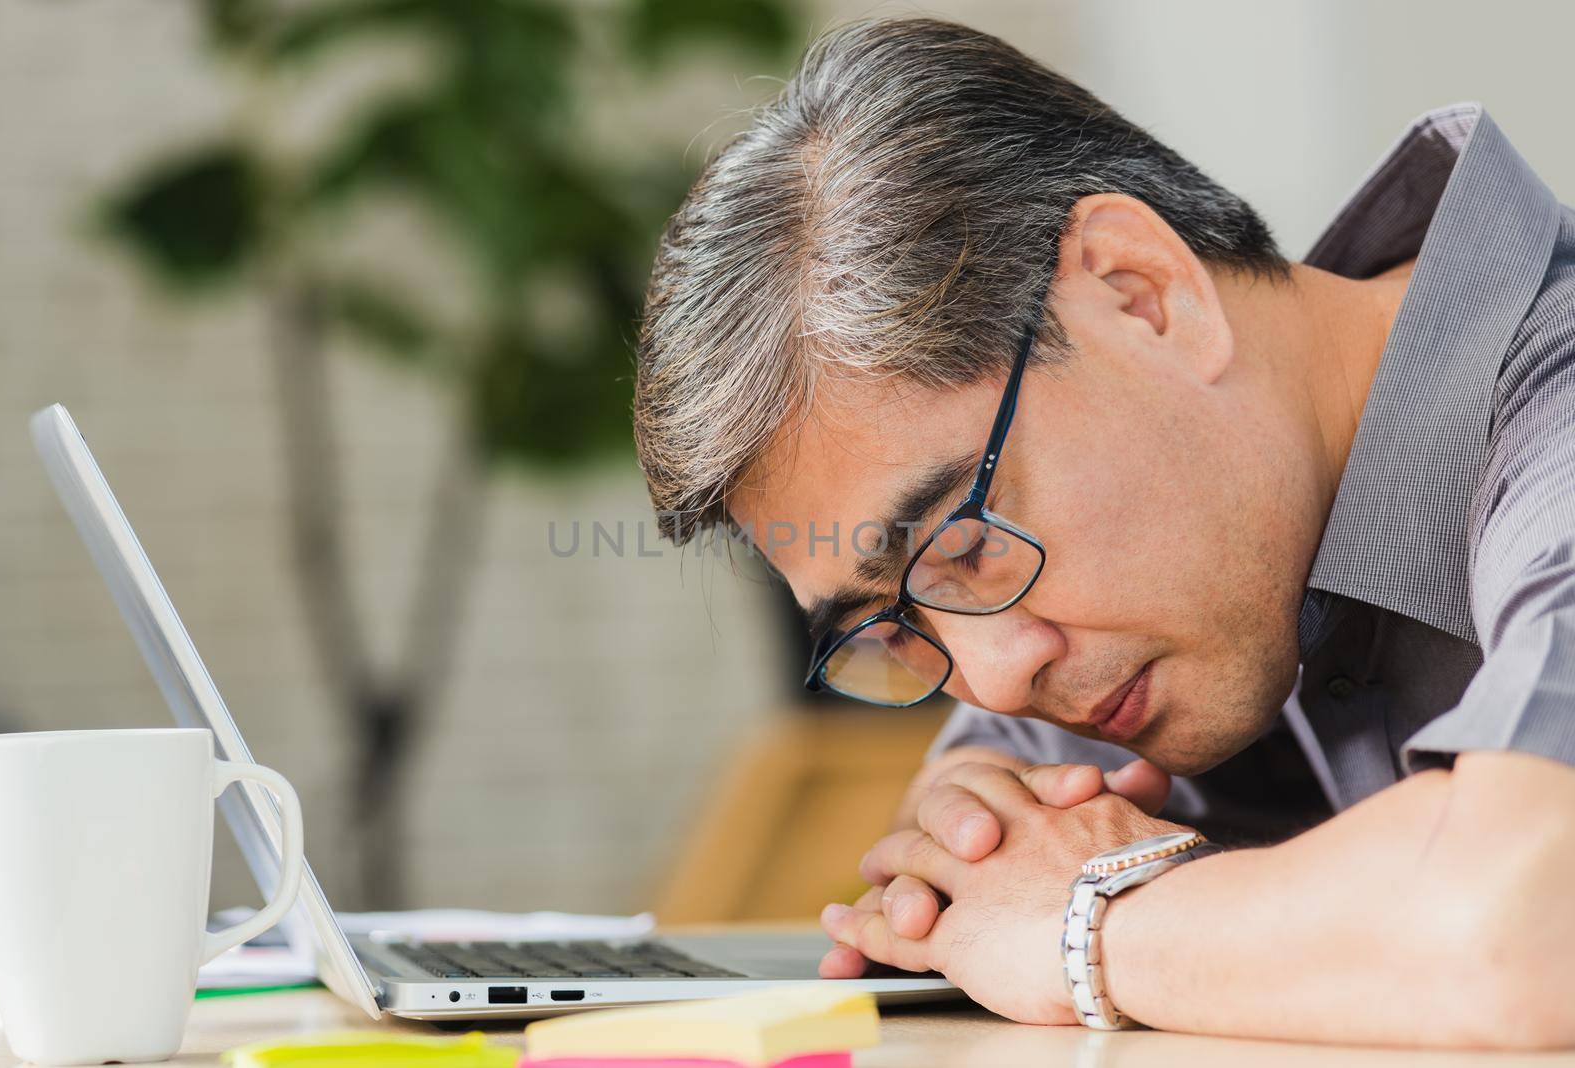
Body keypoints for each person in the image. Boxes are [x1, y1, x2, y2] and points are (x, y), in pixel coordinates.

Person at [632, 17, 1575, 1047]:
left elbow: (1531, 925)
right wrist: (977, 837)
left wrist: (1092, 923)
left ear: (1142, 295)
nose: (990, 682)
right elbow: (978, 839)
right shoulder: (1215, 530)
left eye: (967, 541)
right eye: (896, 630)